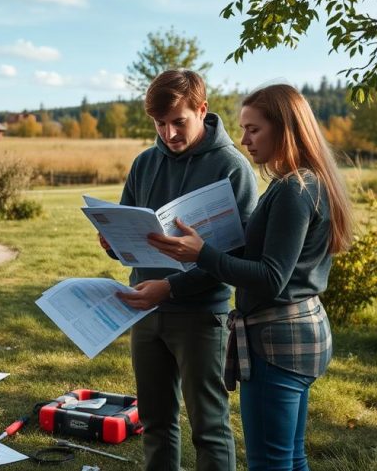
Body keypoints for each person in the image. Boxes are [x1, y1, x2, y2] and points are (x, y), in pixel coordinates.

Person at [144, 83, 353, 471]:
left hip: (279, 340)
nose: (244, 139)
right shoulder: (306, 181)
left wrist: (202, 253)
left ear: (285, 127)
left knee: (269, 463)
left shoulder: (294, 189)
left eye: (253, 129)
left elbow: (271, 277)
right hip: (301, 330)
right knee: (292, 457)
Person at [105, 70, 258, 471]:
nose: (169, 133)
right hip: (145, 310)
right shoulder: (144, 163)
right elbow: (129, 235)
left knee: (208, 426)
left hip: (201, 315)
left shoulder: (232, 167)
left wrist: (170, 289)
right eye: (159, 124)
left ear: (202, 110)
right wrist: (113, 242)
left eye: (178, 122)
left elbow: (235, 261)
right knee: (155, 421)